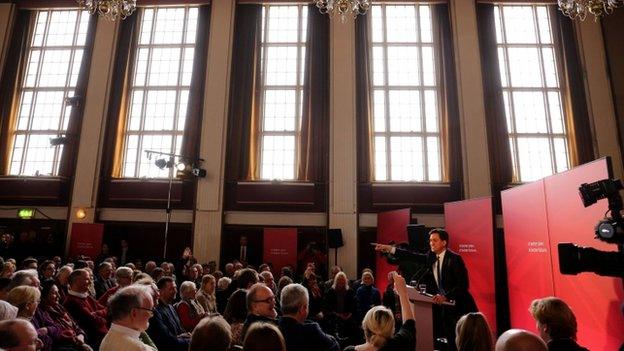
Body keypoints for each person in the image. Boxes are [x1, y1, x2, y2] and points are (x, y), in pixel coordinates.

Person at [375, 228, 477, 349]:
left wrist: (445, 296)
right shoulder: (431, 256)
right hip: (445, 308)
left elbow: (463, 285)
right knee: (451, 341)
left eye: (435, 240)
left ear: (444, 242)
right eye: (430, 240)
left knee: (465, 342)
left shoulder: (454, 259)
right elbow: (411, 255)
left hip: (461, 306)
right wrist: (389, 249)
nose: (431, 243)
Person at [345, 272, 415, 351]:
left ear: (365, 326)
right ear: (392, 328)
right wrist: (403, 292)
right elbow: (409, 324)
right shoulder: (400, 345)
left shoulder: (349, 350)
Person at [278, 283, 339, 351]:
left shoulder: (274, 328)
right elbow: (335, 347)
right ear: (302, 309)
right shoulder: (311, 331)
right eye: (307, 305)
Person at [32, 280, 91, 351]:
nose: (58, 296)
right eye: (54, 293)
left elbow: (75, 324)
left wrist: (81, 335)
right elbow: (59, 334)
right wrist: (80, 343)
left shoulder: (59, 307)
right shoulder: (43, 312)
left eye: (58, 292)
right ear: (44, 296)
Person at [100, 285, 156, 351]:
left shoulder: (107, 338)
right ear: (134, 313)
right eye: (150, 310)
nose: (151, 315)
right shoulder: (138, 348)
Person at [63, 269, 109, 348]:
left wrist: (97, 313)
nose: (91, 282)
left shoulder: (86, 296)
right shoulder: (71, 302)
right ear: (77, 281)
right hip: (94, 341)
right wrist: (102, 317)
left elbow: (107, 310)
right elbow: (93, 321)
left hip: (104, 336)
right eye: (87, 279)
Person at [146, 276, 190, 351]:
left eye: (175, 288)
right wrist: (190, 340)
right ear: (161, 291)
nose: (175, 291)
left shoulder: (171, 306)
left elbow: (180, 328)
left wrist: (186, 336)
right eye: (171, 289)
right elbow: (167, 340)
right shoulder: (156, 311)